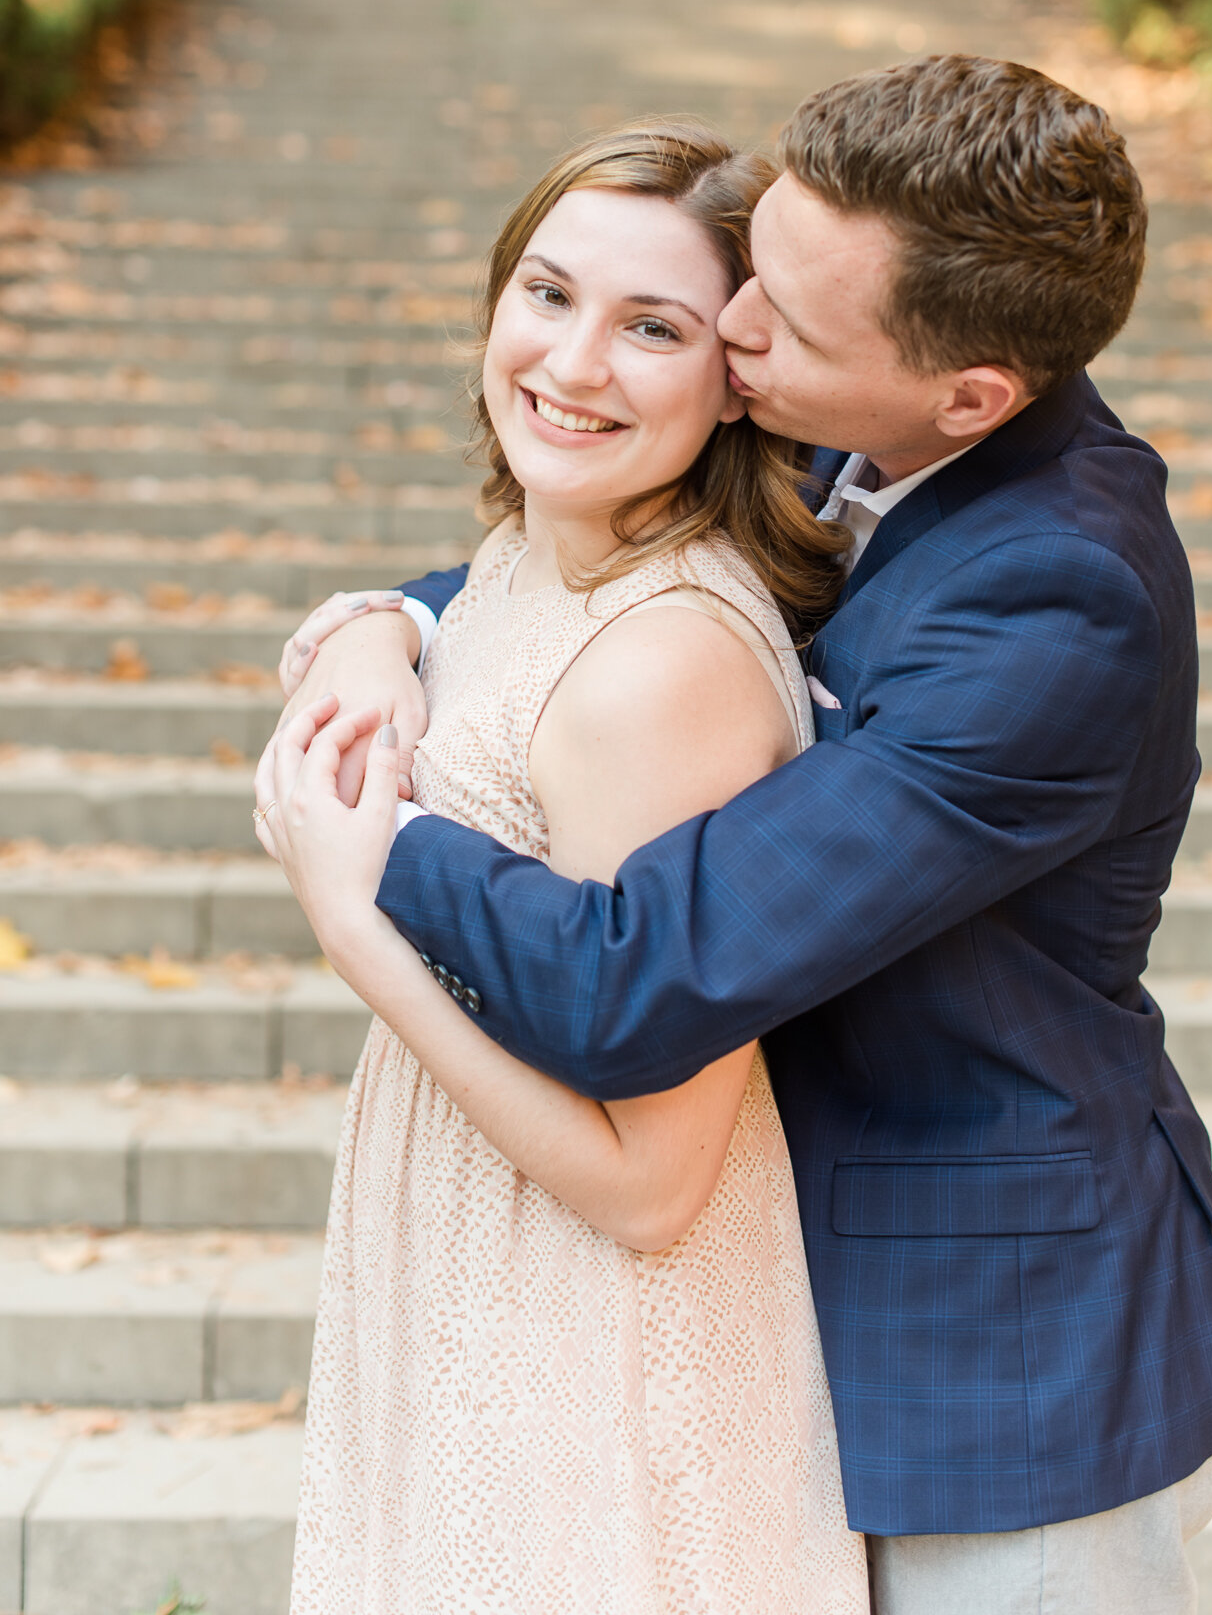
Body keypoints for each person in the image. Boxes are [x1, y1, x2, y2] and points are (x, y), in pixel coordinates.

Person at [270, 55, 1212, 1615]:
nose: (735, 333)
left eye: (782, 320)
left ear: (972, 396)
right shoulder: (850, 412)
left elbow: (644, 977)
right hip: (804, 1291)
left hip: (1003, 1369)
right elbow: (579, 569)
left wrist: (375, 853)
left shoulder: (1058, 601)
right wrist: (381, 629)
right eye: (752, 277)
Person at [260, 122, 869, 1613]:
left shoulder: (666, 670)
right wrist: (377, 625)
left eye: (649, 327)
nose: (573, 362)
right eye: (546, 293)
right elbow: (470, 604)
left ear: (739, 375)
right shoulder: (536, 557)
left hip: (596, 1340)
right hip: (467, 1267)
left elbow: (656, 1183)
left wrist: (356, 924)